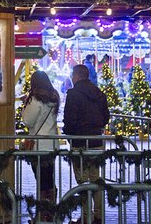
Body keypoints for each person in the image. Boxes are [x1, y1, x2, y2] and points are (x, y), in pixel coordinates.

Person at [63, 64, 110, 224]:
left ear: (76, 76)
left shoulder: (73, 94)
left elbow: (69, 120)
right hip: (97, 141)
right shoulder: (99, 93)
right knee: (96, 178)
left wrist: (70, 137)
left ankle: (85, 215)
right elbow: (106, 118)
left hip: (79, 142)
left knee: (82, 181)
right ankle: (98, 215)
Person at [22, 71, 60, 224]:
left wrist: (25, 106)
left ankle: (43, 215)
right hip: (51, 144)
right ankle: (50, 212)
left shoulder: (35, 98)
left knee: (41, 179)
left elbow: (27, 121)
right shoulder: (54, 97)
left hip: (38, 145)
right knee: (48, 178)